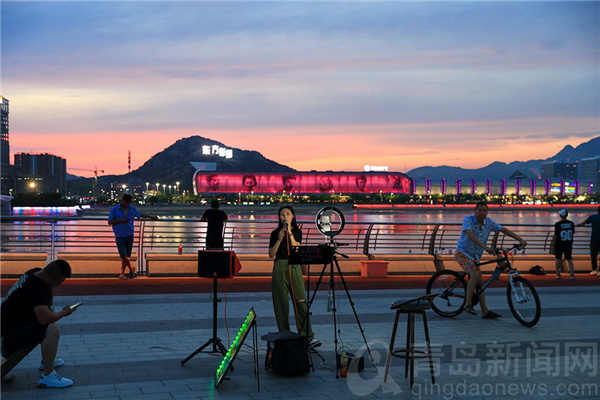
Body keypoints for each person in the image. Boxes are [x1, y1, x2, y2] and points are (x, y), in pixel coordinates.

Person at [1, 260, 76, 388]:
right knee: (51, 329)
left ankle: (47, 361)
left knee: (44, 323)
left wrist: (50, 304)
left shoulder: (35, 272)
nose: (59, 285)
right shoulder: (35, 289)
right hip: (8, 336)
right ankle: (48, 375)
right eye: (59, 282)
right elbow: (45, 319)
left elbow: (47, 291)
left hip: (9, 325)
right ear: (51, 278)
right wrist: (65, 312)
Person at [455, 201, 527, 319]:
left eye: (485, 210)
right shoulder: (467, 219)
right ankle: (467, 304)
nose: (482, 213)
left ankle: (485, 311)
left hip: (475, 256)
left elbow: (503, 230)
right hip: (462, 253)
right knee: (475, 274)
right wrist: (485, 247)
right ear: (475, 210)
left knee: (480, 283)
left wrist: (520, 239)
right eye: (480, 210)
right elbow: (470, 235)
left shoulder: (488, 222)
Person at [268, 205, 320, 348]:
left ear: (292, 216)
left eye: (287, 214)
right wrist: (279, 239)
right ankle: (285, 335)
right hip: (279, 266)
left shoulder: (297, 232)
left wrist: (289, 232)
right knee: (281, 304)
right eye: (282, 214)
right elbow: (271, 254)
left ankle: (308, 336)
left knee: (301, 302)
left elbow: (296, 247)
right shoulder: (274, 233)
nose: (285, 217)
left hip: (294, 266)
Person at [108, 194, 158, 279]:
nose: (127, 204)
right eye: (126, 202)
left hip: (130, 234)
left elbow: (140, 214)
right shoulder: (115, 209)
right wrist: (120, 221)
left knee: (127, 256)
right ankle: (131, 269)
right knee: (123, 255)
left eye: (128, 203)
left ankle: (122, 273)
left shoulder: (131, 208)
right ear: (122, 200)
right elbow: (110, 221)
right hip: (120, 234)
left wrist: (151, 217)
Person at [577, 205, 600, 275]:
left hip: (594, 239)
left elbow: (583, 223)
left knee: (593, 255)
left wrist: (578, 225)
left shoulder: (593, 217)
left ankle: (594, 269)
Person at [554, 209, 575, 280]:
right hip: (568, 243)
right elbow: (573, 233)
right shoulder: (571, 223)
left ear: (561, 215)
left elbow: (556, 234)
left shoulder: (557, 224)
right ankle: (572, 274)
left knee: (558, 258)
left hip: (560, 243)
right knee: (569, 259)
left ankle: (558, 274)